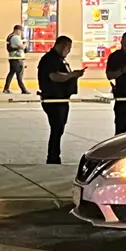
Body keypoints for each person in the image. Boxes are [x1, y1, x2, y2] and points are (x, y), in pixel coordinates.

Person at [37, 36, 85, 164]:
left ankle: (54, 155)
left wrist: (73, 76)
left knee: (59, 129)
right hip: (53, 99)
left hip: (61, 99)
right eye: (68, 47)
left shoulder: (59, 59)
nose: (69, 51)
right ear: (62, 45)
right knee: (56, 128)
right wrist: (72, 75)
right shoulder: (49, 59)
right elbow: (54, 76)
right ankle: (53, 157)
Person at [3, 25, 31, 95]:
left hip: (13, 58)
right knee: (19, 74)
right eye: (21, 31)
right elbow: (22, 47)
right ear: (17, 30)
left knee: (11, 73)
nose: (21, 32)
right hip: (17, 58)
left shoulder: (11, 36)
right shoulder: (16, 37)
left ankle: (6, 88)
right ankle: (23, 90)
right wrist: (26, 43)